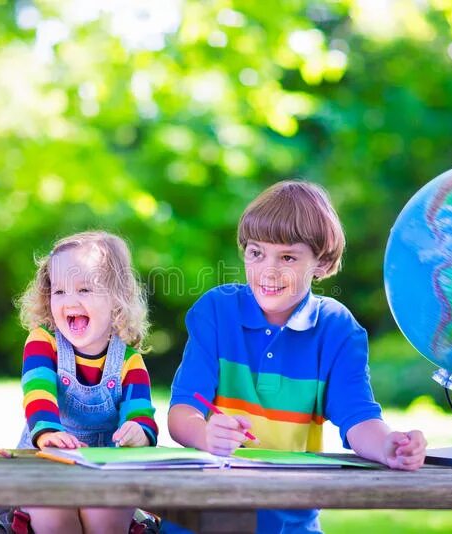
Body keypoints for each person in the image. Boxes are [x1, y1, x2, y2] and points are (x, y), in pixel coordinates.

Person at [168, 181, 427, 534]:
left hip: (290, 522)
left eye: (287, 257)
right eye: (256, 253)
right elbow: (182, 413)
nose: (268, 272)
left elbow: (358, 418)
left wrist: (387, 445)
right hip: (204, 518)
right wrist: (205, 434)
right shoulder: (216, 312)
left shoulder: (337, 329)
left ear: (320, 263)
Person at [17, 231, 158, 534]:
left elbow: (141, 412)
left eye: (84, 289)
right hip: (48, 460)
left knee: (105, 510)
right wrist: (47, 432)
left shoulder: (128, 360)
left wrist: (139, 432)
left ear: (116, 299)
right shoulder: (43, 342)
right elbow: (37, 393)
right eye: (59, 291)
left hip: (105, 469)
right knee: (53, 510)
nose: (70, 301)